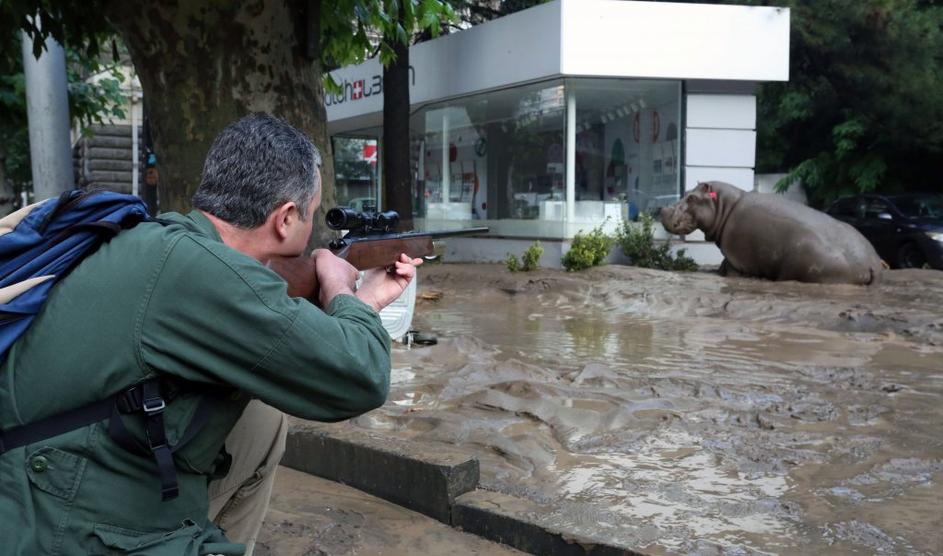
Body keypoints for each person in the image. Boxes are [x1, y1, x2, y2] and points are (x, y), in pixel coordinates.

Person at [0, 114, 420, 555]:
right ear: (286, 217)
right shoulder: (200, 273)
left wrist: (354, 298)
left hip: (51, 469)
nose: (313, 229)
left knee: (261, 423)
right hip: (51, 515)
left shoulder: (165, 242)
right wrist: (346, 290)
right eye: (312, 215)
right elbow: (360, 376)